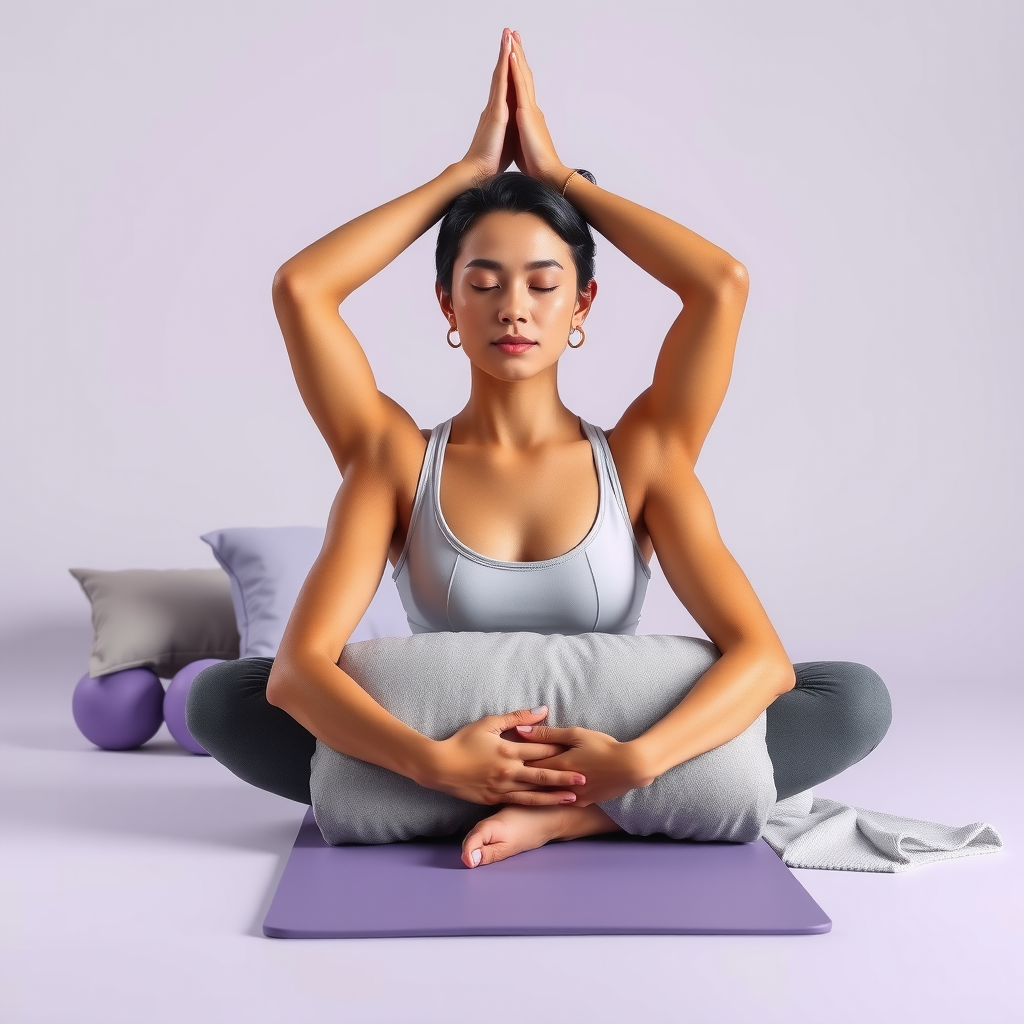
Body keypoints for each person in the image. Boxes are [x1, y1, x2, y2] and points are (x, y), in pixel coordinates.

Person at [188, 28, 890, 868]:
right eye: (481, 284)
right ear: (448, 306)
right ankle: (572, 808)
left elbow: (719, 284)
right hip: (445, 747)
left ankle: (572, 812)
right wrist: (438, 761)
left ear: (582, 303)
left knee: (849, 699)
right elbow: (303, 290)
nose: (512, 308)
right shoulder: (394, 460)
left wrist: (632, 763)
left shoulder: (644, 456)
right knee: (223, 700)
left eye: (543, 283)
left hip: (610, 745)